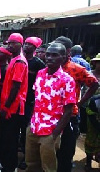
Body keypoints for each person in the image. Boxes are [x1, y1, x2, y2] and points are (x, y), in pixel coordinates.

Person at [25, 43, 76, 172]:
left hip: (50, 130)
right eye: (48, 54)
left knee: (48, 167)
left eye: (54, 55)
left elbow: (68, 110)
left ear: (63, 58)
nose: (49, 58)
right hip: (34, 126)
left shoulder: (67, 80)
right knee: (31, 163)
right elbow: (36, 100)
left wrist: (55, 134)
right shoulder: (40, 73)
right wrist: (30, 124)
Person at [54, 36, 99, 172]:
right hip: (51, 115)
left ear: (67, 51)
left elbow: (94, 83)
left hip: (69, 116)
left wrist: (80, 103)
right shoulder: (50, 68)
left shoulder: (76, 69)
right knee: (51, 151)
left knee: (66, 153)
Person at [0, 33, 28, 172]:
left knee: (11, 139)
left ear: (20, 44)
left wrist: (6, 106)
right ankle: (7, 165)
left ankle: (10, 168)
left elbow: (16, 87)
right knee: (7, 137)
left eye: (13, 43)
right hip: (10, 105)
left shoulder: (19, 62)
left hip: (14, 106)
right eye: (8, 43)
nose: (9, 45)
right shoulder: (14, 59)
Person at [19, 36, 45, 169]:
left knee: (26, 130)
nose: (26, 46)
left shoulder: (38, 63)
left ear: (35, 48)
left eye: (30, 44)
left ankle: (25, 157)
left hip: (29, 102)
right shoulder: (18, 60)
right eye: (26, 43)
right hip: (17, 100)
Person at [84, 53, 100, 171]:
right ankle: (88, 161)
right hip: (90, 111)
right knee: (91, 135)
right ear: (95, 63)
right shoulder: (89, 75)